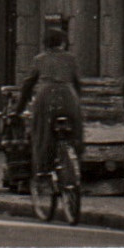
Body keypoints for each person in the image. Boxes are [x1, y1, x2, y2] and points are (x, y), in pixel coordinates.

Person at [19, 29, 83, 179]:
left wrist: (20, 108)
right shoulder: (71, 58)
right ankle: (76, 158)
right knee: (76, 128)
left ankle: (42, 169)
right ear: (63, 42)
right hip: (68, 96)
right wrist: (78, 101)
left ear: (45, 43)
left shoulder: (39, 59)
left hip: (46, 96)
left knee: (41, 131)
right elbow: (77, 83)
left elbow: (28, 84)